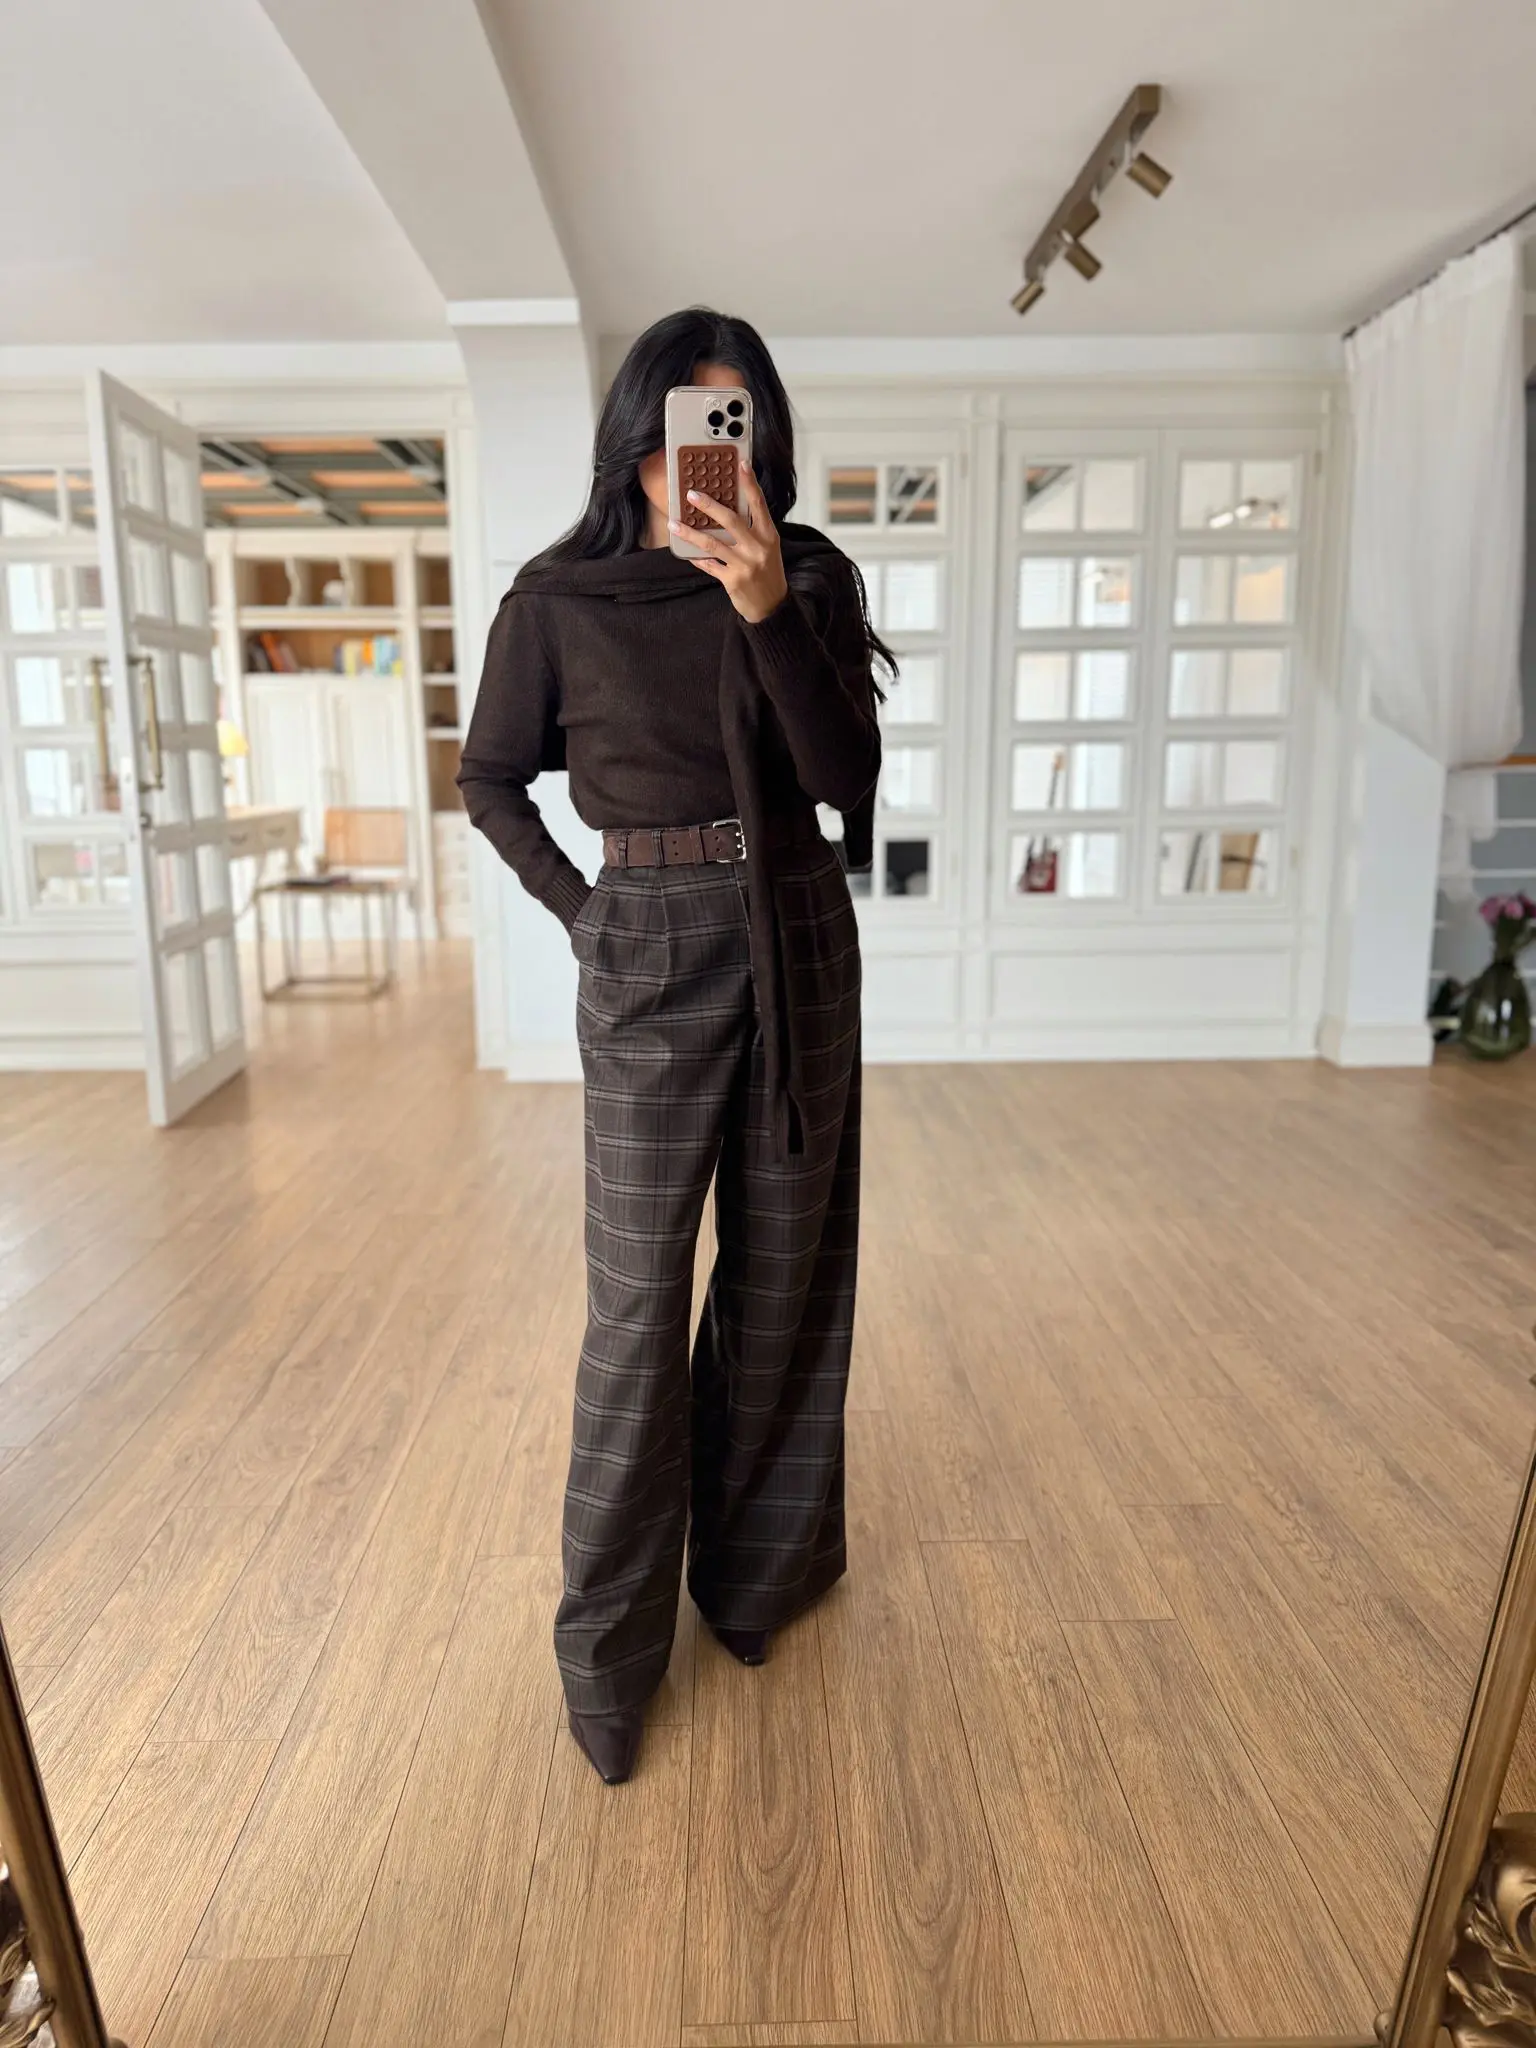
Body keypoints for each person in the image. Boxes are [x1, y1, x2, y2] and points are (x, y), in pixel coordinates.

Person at [456, 306, 892, 1784]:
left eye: (735, 425)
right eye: (685, 427)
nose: (708, 456)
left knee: (784, 1274)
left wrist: (765, 608)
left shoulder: (807, 577)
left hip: (797, 922)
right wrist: (589, 914)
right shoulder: (557, 600)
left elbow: (844, 780)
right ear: (634, 437)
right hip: (645, 935)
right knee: (638, 1305)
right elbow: (491, 777)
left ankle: (757, 1581)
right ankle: (607, 1654)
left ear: (759, 439)